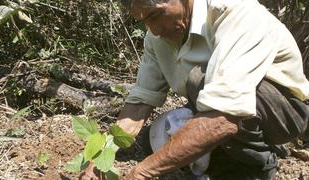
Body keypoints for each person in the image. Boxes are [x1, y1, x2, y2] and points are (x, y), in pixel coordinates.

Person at [82, 0, 309, 179]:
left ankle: (258, 164)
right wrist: (101, 157)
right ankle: (227, 158)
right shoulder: (156, 38)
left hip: (284, 111)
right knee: (155, 138)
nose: (154, 30)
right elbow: (139, 103)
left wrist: (140, 173)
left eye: (155, 14)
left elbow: (223, 116)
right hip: (220, 106)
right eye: (143, 21)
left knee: (198, 80)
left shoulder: (233, 11)